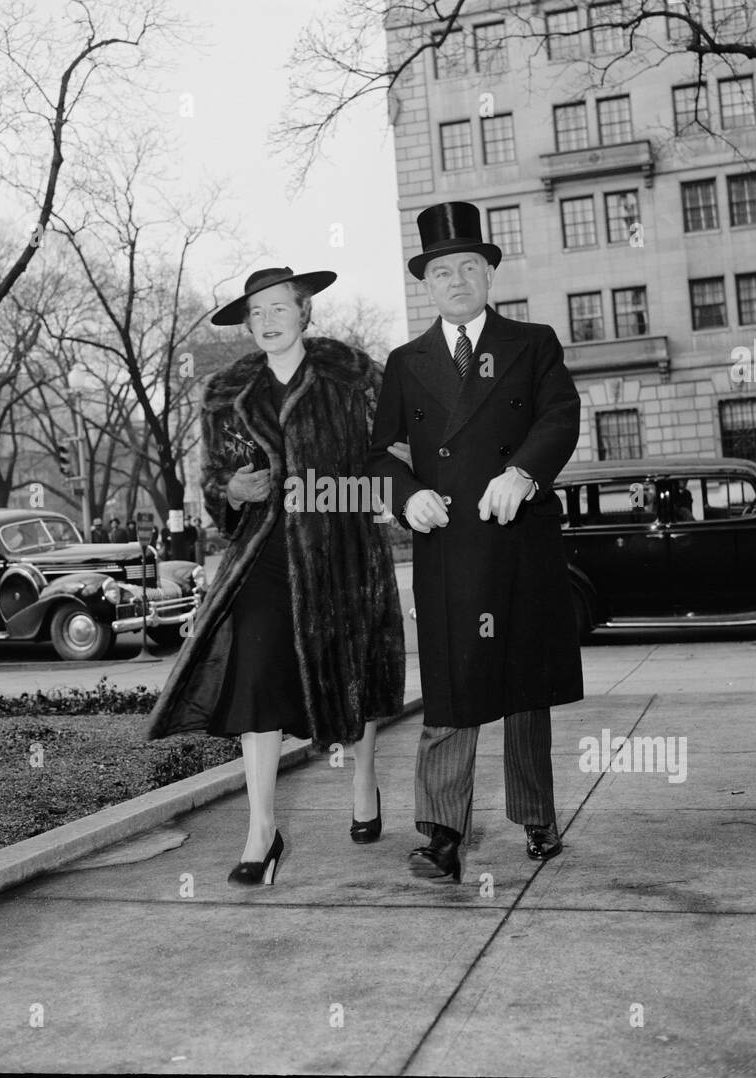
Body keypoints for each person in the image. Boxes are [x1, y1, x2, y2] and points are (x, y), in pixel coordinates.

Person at [146, 265, 405, 885]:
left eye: (278, 308)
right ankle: (262, 829)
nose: (267, 320)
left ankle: (364, 777)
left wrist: (344, 498)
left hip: (342, 549)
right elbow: (212, 482)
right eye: (256, 312)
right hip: (262, 554)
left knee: (356, 669)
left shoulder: (353, 375)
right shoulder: (225, 393)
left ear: (304, 311)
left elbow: (389, 455)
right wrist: (230, 490)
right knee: (257, 679)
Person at [366, 201, 583, 883]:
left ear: (489, 274)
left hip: (519, 539)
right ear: (426, 286)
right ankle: (442, 835)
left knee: (524, 690)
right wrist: (409, 496)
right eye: (440, 272)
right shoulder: (405, 362)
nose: (454, 280)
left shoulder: (534, 342)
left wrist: (523, 473)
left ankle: (537, 816)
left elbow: (560, 417)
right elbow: (380, 456)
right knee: (453, 693)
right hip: (448, 548)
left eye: (467, 266)